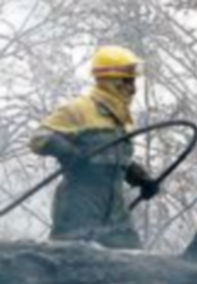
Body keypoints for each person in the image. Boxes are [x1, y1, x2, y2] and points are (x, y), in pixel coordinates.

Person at [29, 45, 159, 249]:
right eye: (128, 80)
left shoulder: (120, 118)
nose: (133, 87)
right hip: (80, 207)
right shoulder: (79, 109)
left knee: (133, 266)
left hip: (116, 212)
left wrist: (139, 177)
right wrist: (72, 152)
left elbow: (113, 156)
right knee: (73, 266)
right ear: (112, 81)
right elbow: (39, 138)